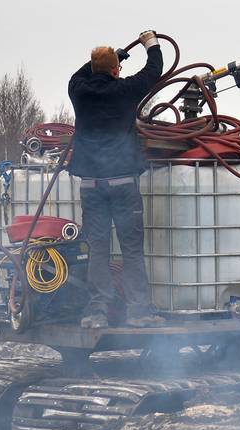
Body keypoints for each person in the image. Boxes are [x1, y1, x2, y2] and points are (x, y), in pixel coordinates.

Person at [68, 30, 166, 328]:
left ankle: (97, 313)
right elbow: (154, 70)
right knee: (131, 249)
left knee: (98, 249)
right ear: (115, 71)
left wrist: (115, 55)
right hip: (123, 183)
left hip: (91, 185)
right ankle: (139, 313)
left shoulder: (79, 91)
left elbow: (80, 73)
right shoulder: (125, 90)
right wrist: (151, 43)